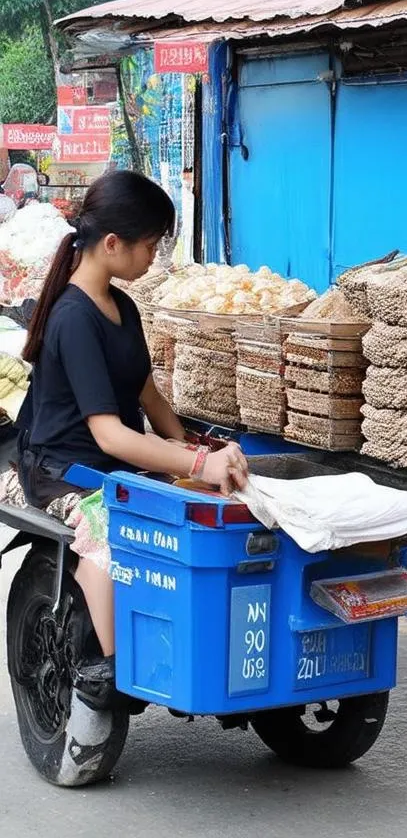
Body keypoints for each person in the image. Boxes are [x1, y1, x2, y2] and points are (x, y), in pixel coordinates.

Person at [5, 170, 249, 706]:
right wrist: (196, 464)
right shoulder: (73, 317)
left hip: (112, 462)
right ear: (112, 245)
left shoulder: (125, 307)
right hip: (62, 468)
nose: (153, 257)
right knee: (110, 538)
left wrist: (193, 451)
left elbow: (149, 397)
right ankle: (106, 666)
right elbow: (110, 436)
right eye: (150, 245)